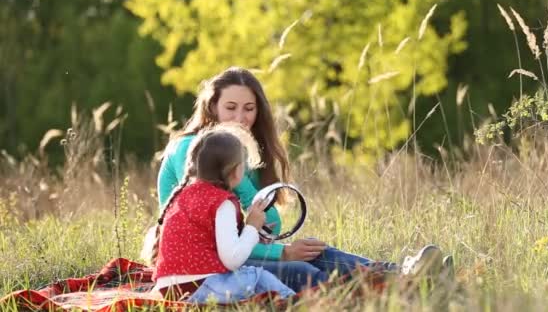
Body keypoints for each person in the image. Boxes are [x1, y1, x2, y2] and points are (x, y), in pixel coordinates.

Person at [157, 66, 453, 292]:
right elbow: (220, 246)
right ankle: (395, 284)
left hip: (230, 250)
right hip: (201, 262)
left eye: (249, 109)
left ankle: (403, 275)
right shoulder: (195, 150)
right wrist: (282, 252)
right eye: (230, 108)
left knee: (316, 252)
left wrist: (270, 236)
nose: (240, 119)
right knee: (301, 265)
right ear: (212, 109)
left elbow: (270, 221)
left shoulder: (240, 152)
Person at [151, 124, 295, 303]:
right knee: (259, 277)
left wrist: (252, 231)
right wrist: (251, 228)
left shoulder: (182, 195)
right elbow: (232, 260)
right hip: (199, 286)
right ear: (236, 172)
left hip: (169, 288)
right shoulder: (221, 202)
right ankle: (296, 302)